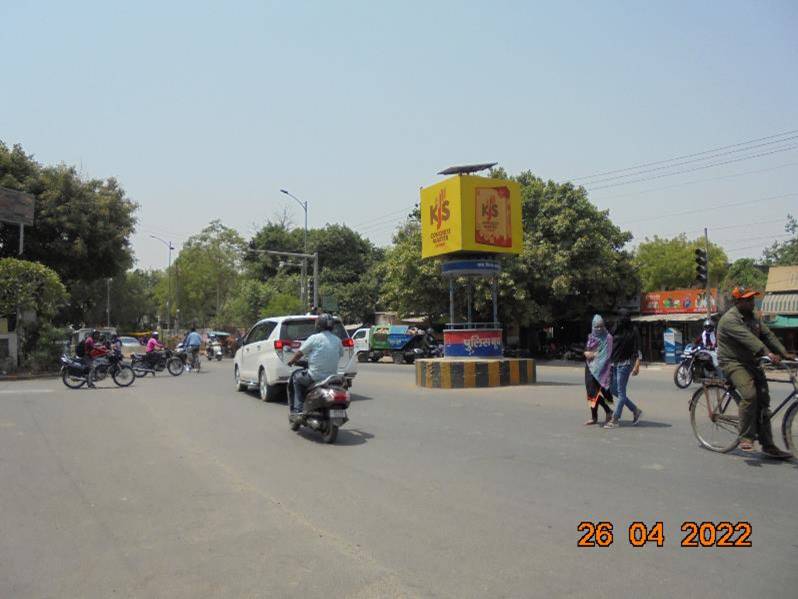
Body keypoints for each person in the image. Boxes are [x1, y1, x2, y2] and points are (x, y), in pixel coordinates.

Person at [717, 287, 794, 458]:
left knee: (764, 402)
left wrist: (784, 353)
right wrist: (768, 354)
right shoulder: (730, 319)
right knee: (750, 395)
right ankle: (746, 438)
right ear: (738, 302)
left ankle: (768, 445)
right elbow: (749, 339)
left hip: (751, 362)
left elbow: (768, 335)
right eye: (748, 300)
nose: (752, 303)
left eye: (752, 299)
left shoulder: (754, 317)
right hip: (732, 362)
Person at [287, 313, 343, 418]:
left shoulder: (314, 338)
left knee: (296, 378)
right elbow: (340, 354)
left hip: (315, 376)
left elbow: (300, 353)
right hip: (332, 378)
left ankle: (298, 410)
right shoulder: (338, 340)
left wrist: (292, 361)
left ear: (319, 325)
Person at [605, 310, 643, 428]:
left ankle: (615, 419)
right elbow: (608, 342)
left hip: (625, 364)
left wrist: (637, 364)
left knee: (621, 392)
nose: (622, 319)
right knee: (613, 390)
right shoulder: (615, 327)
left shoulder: (633, 330)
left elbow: (638, 348)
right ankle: (635, 410)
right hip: (613, 364)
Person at [583, 315, 614, 426]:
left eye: (601, 326)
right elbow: (587, 349)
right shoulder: (591, 337)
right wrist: (586, 353)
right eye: (597, 326)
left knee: (595, 392)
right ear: (593, 327)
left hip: (602, 369)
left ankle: (608, 410)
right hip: (590, 367)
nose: (599, 329)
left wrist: (594, 355)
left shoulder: (608, 337)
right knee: (590, 393)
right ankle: (594, 417)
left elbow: (607, 354)